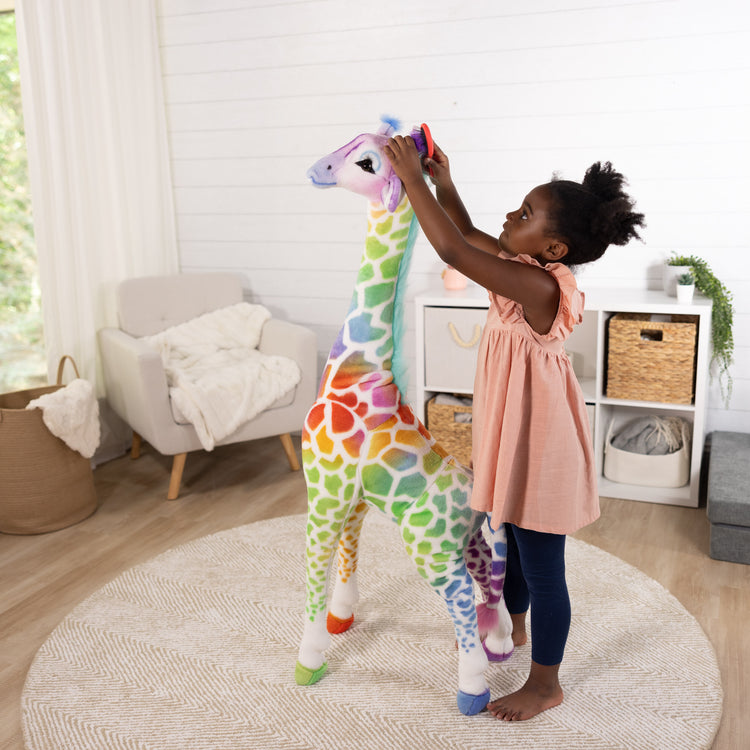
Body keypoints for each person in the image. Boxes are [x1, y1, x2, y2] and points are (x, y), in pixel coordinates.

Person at [384, 135, 645, 721]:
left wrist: (412, 181)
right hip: (518, 432)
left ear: (554, 246)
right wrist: (444, 181)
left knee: (543, 567)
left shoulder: (542, 287)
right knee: (518, 551)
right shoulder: (525, 267)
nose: (510, 215)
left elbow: (453, 250)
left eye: (524, 213)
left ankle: (546, 683)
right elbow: (472, 236)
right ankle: (515, 629)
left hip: (544, 444)